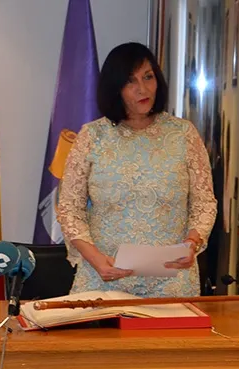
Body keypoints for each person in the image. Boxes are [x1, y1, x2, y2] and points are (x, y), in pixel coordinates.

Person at [56, 42, 217, 297]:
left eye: (148, 77)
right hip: (103, 279)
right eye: (131, 81)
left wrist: (192, 243)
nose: (143, 89)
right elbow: (69, 209)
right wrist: (96, 259)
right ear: (115, 88)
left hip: (171, 283)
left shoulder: (183, 133)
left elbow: (204, 204)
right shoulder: (92, 136)